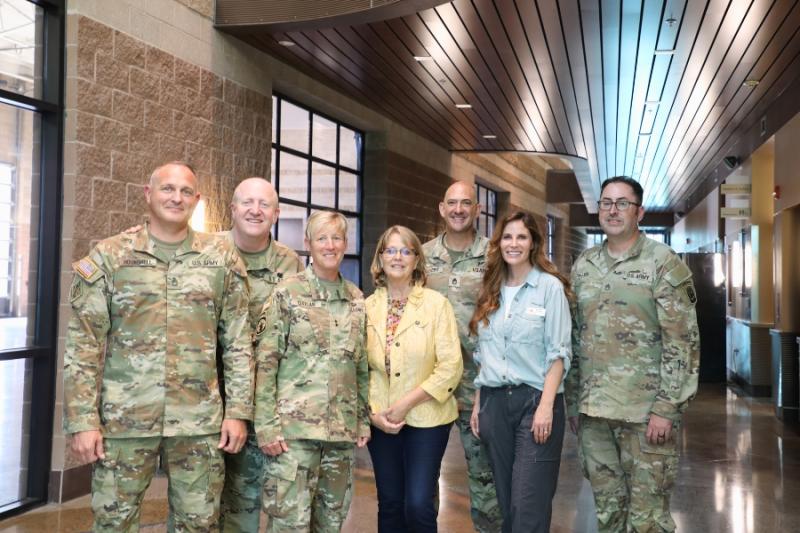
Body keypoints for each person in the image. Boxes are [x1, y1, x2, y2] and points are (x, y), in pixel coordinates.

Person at [62, 161, 253, 532]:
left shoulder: (221, 260)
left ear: (196, 200)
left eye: (185, 191)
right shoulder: (111, 257)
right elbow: (83, 344)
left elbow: (238, 343)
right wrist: (83, 421)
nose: (176, 198)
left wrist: (238, 411)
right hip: (125, 422)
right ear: (148, 194)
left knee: (198, 523)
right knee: (114, 521)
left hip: (198, 423)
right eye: (167, 188)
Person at [565, 176, 700, 532]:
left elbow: (683, 342)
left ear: (639, 211)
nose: (613, 210)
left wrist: (666, 408)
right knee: (609, 514)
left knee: (648, 520)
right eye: (606, 203)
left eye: (622, 203)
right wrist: (573, 402)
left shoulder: (663, 263)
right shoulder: (584, 266)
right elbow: (576, 338)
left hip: (645, 415)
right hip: (594, 413)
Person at [254, 210, 370, 532]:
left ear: (345, 244)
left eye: (336, 237)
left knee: (330, 524)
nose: (329, 245)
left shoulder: (356, 299)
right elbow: (266, 361)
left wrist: (361, 418)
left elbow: (360, 364)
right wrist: (266, 426)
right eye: (322, 238)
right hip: (293, 437)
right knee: (290, 525)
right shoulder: (286, 293)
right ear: (308, 243)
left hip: (340, 437)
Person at [468, 211, 572, 533]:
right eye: (507, 237)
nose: (514, 244)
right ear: (498, 244)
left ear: (533, 243)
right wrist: (477, 404)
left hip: (536, 403)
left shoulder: (548, 288)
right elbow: (481, 353)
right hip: (494, 403)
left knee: (529, 504)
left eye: (521, 237)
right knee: (507, 502)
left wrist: (545, 406)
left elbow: (559, 353)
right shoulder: (490, 289)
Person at [365, 226, 463, 532]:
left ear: (417, 260)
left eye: (406, 251)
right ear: (380, 259)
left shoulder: (437, 305)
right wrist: (373, 414)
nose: (398, 257)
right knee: (390, 503)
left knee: (419, 502)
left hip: (428, 419)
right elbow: (355, 369)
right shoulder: (365, 308)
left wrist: (406, 403)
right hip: (381, 419)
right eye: (390, 250)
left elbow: (451, 366)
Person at [219, 177, 303, 532]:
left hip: (271, 400)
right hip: (216, 397)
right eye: (248, 202)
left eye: (264, 204)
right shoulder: (207, 253)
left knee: (276, 498)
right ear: (233, 208)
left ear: (276, 213)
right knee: (221, 499)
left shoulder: (289, 263)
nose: (255, 210)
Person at [422, 181, 502, 532]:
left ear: (477, 210)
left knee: (486, 481)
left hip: (478, 386)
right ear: (441, 208)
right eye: (451, 203)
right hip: (430, 386)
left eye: (465, 203)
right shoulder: (420, 256)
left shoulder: (495, 256)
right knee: (422, 480)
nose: (458, 209)